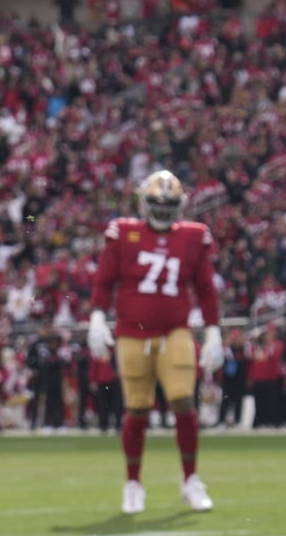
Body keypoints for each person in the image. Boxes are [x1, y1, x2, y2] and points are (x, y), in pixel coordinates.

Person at [87, 170, 222, 515]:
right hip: (133, 332)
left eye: (169, 204)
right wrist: (97, 317)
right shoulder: (123, 233)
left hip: (175, 329)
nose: (163, 210)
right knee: (137, 408)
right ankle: (133, 483)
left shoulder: (194, 237)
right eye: (158, 203)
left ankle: (190, 479)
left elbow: (205, 289)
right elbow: (104, 281)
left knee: (182, 401)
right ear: (143, 203)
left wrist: (213, 331)